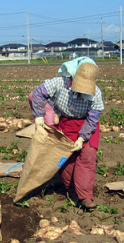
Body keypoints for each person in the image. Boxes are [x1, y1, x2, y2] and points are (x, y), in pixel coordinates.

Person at [30, 57, 104, 209]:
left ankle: (86, 197)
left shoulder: (96, 93)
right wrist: (38, 116)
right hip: (66, 124)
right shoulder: (59, 83)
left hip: (86, 124)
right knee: (66, 160)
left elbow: (93, 118)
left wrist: (82, 138)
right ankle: (73, 193)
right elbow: (37, 94)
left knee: (88, 157)